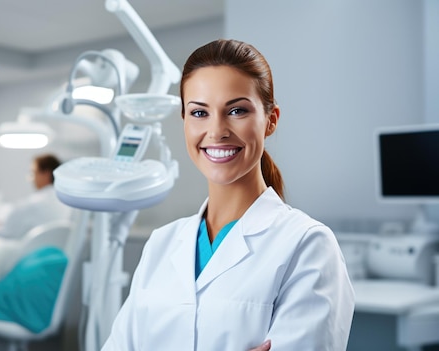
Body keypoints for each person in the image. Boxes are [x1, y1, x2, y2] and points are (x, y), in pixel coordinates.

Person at [101, 39, 355, 351]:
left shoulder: (307, 245)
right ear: (183, 120)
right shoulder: (161, 244)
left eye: (236, 110)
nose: (217, 130)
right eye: (199, 113)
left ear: (271, 120)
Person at [0, 153, 73, 282]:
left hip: (28, 258)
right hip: (55, 258)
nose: (32, 179)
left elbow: (8, 231)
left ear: (46, 173)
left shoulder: (33, 203)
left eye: (33, 173)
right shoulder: (66, 203)